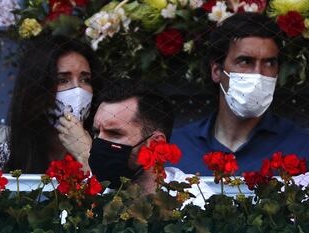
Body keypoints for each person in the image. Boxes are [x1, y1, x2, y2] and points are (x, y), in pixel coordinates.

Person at [171, 12, 309, 175]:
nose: (258, 74)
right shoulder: (176, 148)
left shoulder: (302, 147)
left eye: (269, 63)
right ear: (216, 71)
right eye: (245, 61)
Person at [0, 35, 102, 173]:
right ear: (37, 89)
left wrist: (86, 154)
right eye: (63, 80)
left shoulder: (107, 154)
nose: (78, 90)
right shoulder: (1, 158)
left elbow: (111, 192)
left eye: (85, 79)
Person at [85, 80, 213, 206]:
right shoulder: (85, 198)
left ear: (155, 144)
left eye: (115, 134)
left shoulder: (196, 202)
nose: (99, 142)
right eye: (96, 132)